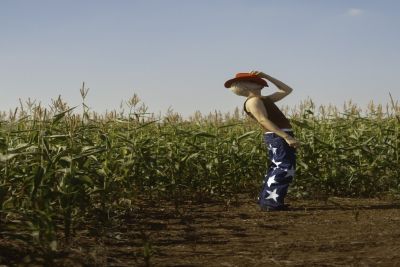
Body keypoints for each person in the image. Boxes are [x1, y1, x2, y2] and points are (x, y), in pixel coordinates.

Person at [224, 71, 300, 211]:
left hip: (278, 135)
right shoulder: (253, 101)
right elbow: (263, 120)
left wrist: (267, 76)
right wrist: (286, 136)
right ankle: (271, 203)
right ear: (246, 86)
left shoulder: (263, 99)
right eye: (254, 81)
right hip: (277, 135)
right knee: (283, 167)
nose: (259, 83)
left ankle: (268, 201)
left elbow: (287, 90)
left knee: (278, 166)